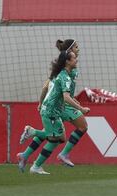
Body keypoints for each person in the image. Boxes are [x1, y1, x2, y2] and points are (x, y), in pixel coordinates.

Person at [17, 39, 88, 172]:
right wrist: (79, 107)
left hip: (55, 104)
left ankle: (26, 156)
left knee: (53, 135)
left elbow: (47, 87)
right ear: (69, 53)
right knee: (80, 127)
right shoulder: (66, 71)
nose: (78, 49)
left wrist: (40, 103)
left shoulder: (62, 69)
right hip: (60, 105)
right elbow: (62, 92)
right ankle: (58, 155)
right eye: (76, 47)